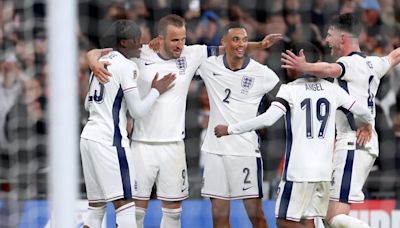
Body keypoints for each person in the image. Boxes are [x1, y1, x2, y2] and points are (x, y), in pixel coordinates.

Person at [88, 14, 282, 228]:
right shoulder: (140, 53)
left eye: (183, 39)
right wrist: (92, 60)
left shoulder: (193, 54)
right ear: (160, 38)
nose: (180, 45)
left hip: (174, 146)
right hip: (142, 145)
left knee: (173, 215)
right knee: (135, 212)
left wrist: (260, 44)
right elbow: (101, 52)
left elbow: (228, 48)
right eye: (174, 40)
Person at [214, 42, 374, 228]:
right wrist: (367, 125)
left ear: (300, 62)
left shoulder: (290, 90)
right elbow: (364, 111)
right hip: (323, 173)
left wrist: (230, 129)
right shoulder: (333, 90)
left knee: (283, 222)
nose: (287, 66)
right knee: (308, 221)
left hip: (297, 173)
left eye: (290, 61)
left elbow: (267, 119)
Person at [281, 13, 400, 228]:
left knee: (333, 218)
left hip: (353, 143)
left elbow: (330, 69)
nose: (327, 40)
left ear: (342, 38)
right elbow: (394, 56)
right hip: (362, 143)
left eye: (329, 35)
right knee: (328, 219)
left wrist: (304, 66)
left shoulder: (348, 63)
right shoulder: (374, 62)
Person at [80, 20, 175, 228]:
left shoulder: (100, 63)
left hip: (88, 138)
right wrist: (157, 90)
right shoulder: (127, 66)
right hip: (110, 141)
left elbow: (88, 103)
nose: (140, 43)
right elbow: (137, 112)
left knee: (95, 211)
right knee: (126, 209)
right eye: (137, 39)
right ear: (124, 42)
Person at [197, 23, 280, 228]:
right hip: (215, 151)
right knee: (218, 216)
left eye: (244, 39)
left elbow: (283, 102)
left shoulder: (263, 74)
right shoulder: (208, 66)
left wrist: (262, 121)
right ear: (223, 43)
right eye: (235, 39)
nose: (241, 44)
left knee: (256, 216)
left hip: (245, 152)